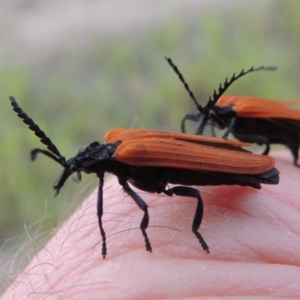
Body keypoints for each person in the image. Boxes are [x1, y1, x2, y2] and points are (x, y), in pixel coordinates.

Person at [2, 151, 300, 299]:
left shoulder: (126, 157)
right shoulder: (118, 162)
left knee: (191, 194)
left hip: (207, 168)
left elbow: (143, 205)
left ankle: (196, 231)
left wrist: (141, 234)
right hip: (186, 167)